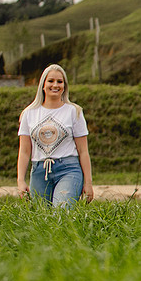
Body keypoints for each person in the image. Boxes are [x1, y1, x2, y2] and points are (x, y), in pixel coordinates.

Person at [17, 64, 94, 207]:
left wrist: (88, 182)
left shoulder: (74, 112)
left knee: (62, 211)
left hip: (68, 169)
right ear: (43, 85)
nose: (55, 85)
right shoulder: (28, 113)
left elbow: (83, 151)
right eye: (51, 81)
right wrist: (20, 180)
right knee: (42, 218)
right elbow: (24, 151)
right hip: (39, 171)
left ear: (64, 86)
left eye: (60, 82)